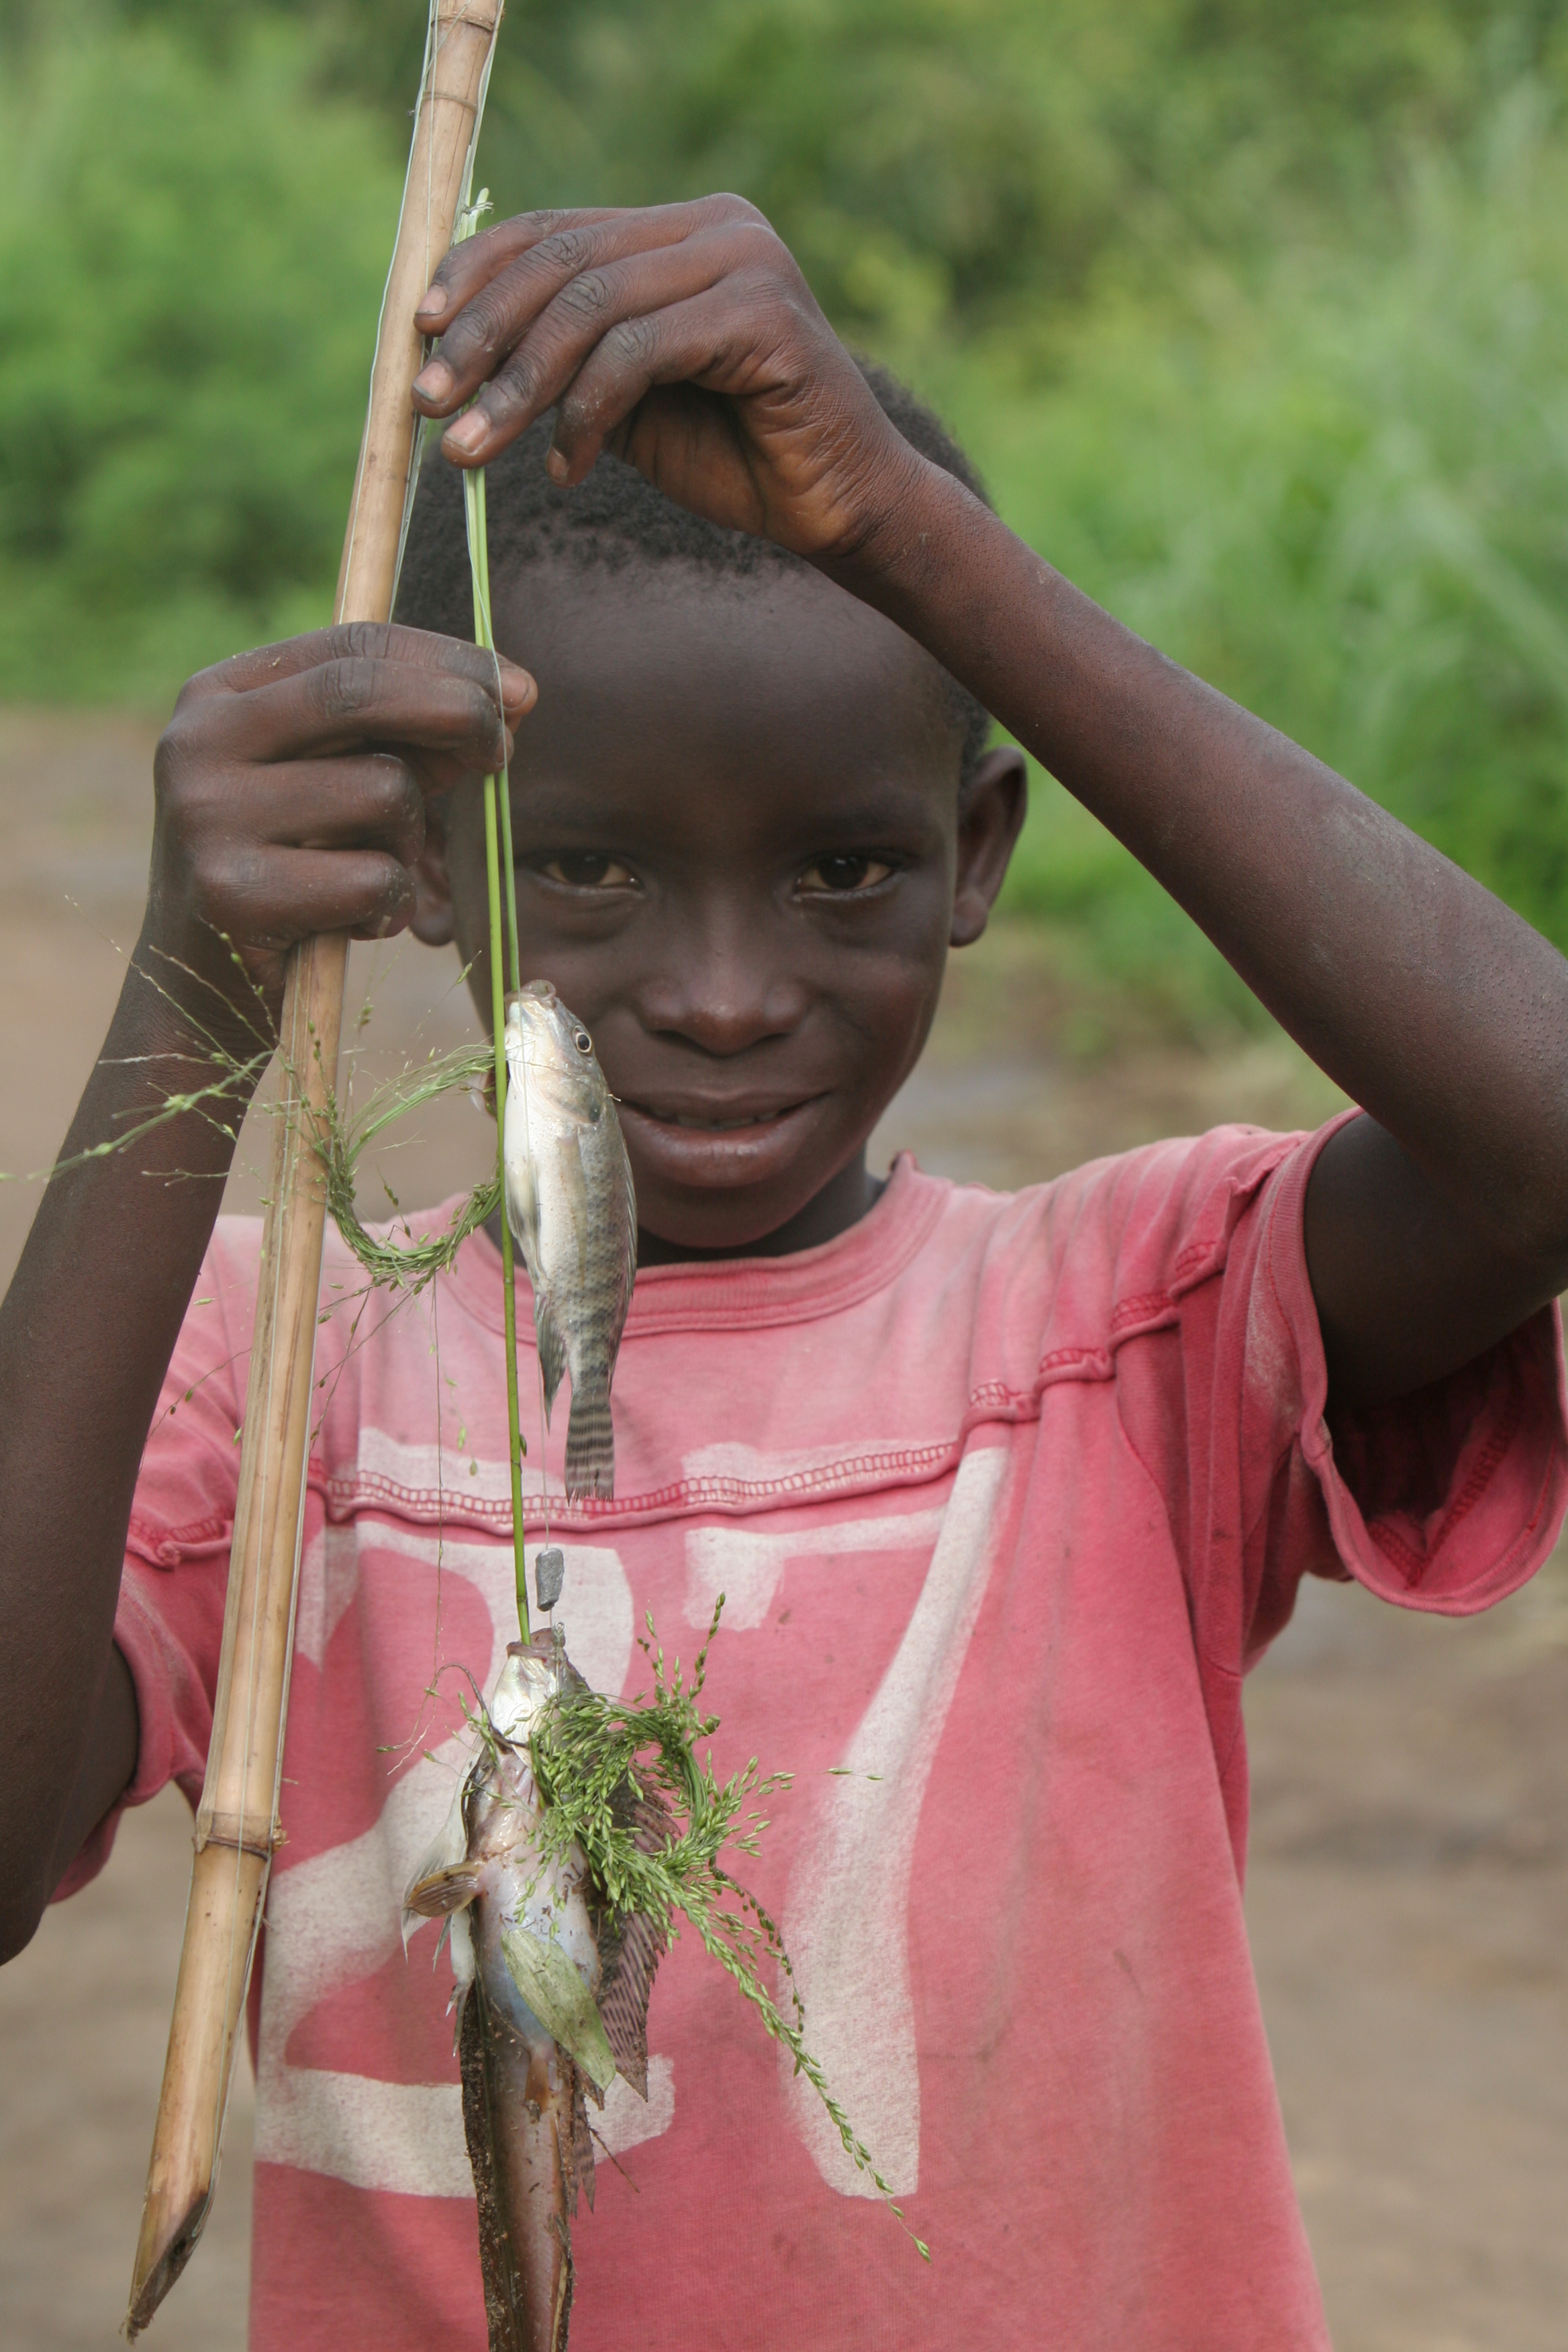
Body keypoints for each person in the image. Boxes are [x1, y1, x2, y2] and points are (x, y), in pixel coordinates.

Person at [2, 195, 1565, 2352]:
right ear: (439, 876)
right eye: (591, 870)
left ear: (979, 859)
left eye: (845, 867)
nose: (727, 997)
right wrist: (191, 986)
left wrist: (927, 548)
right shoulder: (286, 1374)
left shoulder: (1121, 1328)